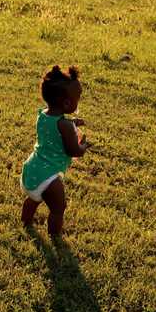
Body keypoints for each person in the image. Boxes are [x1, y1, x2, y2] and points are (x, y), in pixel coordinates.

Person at [20, 65, 90, 237]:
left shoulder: (43, 114)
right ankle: (55, 237)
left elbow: (55, 125)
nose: (78, 101)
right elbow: (74, 151)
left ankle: (25, 222)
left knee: (33, 200)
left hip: (32, 167)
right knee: (58, 209)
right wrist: (83, 146)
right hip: (48, 176)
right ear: (66, 103)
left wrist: (73, 122)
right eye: (78, 98)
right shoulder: (64, 125)